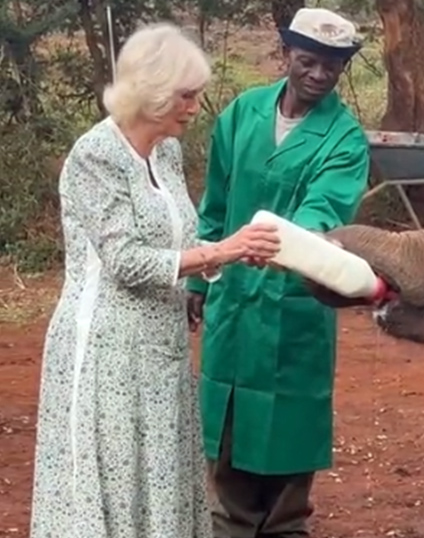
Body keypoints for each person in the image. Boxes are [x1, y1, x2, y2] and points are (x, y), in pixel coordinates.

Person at [28, 23, 280, 538]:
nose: (194, 107)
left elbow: (176, 238)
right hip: (106, 351)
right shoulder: (95, 157)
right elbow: (124, 261)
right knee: (119, 481)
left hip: (160, 346)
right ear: (154, 92)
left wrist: (219, 260)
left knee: (159, 474)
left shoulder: (165, 152)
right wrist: (222, 250)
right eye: (186, 96)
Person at [186, 7, 371, 537]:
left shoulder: (345, 139)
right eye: (308, 61)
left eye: (332, 67)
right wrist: (200, 279)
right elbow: (215, 203)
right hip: (232, 304)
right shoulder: (242, 113)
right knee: (228, 455)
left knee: (287, 479)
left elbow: (324, 210)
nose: (317, 75)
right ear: (286, 52)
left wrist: (281, 239)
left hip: (294, 310)